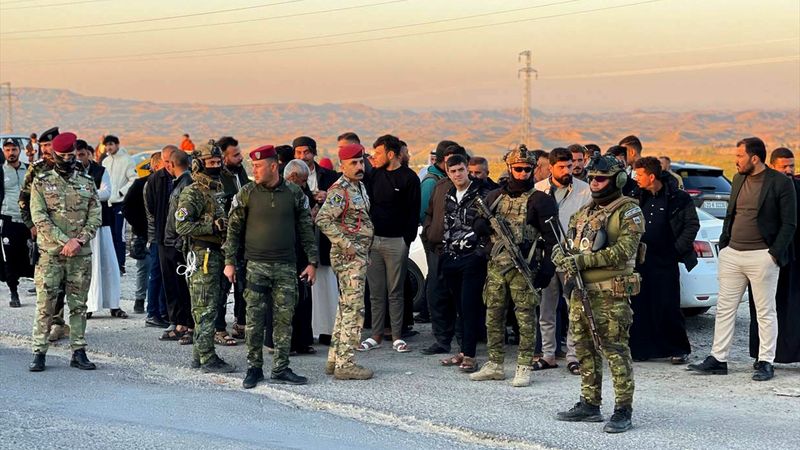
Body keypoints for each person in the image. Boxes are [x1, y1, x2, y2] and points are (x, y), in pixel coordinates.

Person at [689, 137, 796, 381]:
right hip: (733, 254)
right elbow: (732, 213)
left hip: (763, 256)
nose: (735, 160)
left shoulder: (779, 182)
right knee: (725, 308)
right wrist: (725, 247)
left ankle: (765, 361)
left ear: (754, 158)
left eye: (739, 156)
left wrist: (773, 255)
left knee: (765, 311)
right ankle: (718, 358)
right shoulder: (738, 179)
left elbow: (789, 223)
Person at [553, 153, 644, 433]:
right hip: (581, 293)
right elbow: (567, 244)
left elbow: (623, 251)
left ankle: (622, 410)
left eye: (601, 178)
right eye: (591, 178)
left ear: (616, 180)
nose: (594, 183)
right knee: (584, 349)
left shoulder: (628, 211)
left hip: (611, 294)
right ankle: (590, 403)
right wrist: (559, 255)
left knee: (615, 351)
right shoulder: (584, 212)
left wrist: (580, 261)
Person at [225, 146, 318, 388]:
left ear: (273, 166)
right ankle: (254, 368)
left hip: (286, 266)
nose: (253, 170)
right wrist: (229, 262)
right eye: (252, 166)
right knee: (254, 320)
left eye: (258, 166)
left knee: (284, 320)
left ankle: (281, 367)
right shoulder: (247, 193)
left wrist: (312, 262)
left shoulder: (295, 194)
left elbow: (307, 230)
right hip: (256, 265)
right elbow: (233, 230)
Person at [469, 145, 557, 387]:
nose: (522, 173)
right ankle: (495, 363)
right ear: (509, 168)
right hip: (497, 266)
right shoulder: (494, 197)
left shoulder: (541, 200)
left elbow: (552, 239)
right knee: (493, 315)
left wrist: (547, 270)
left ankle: (524, 365)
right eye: (518, 169)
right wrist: (480, 227)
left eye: (527, 169)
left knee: (526, 318)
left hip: (525, 268)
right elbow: (477, 218)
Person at [28, 131, 102, 372]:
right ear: (54, 155)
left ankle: (78, 351)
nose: (68, 160)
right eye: (63, 156)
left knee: (79, 305)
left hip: (80, 255)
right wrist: (65, 241)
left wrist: (78, 241)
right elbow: (39, 217)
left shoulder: (87, 181)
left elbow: (95, 216)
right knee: (45, 305)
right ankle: (39, 352)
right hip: (51, 254)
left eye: (72, 155)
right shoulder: (41, 181)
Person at [316, 143, 375, 380]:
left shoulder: (358, 186)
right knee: (354, 310)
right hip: (348, 257)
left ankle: (335, 359)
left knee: (345, 309)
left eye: (361, 162)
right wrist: (346, 244)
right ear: (342, 166)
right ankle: (346, 364)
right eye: (354, 163)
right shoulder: (340, 190)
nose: (359, 167)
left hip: (358, 256)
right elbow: (323, 219)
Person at [630, 157, 698, 363]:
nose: (636, 178)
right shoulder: (635, 196)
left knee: (667, 305)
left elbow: (691, 225)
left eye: (639, 175)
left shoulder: (678, 198)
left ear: (651, 176)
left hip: (665, 261)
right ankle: (641, 350)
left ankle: (677, 349)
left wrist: (676, 250)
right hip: (639, 261)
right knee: (640, 306)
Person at [175, 141, 235, 373]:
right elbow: (181, 226)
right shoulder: (193, 192)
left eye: (218, 162)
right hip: (203, 257)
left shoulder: (215, 190)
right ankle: (207, 357)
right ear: (199, 164)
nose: (216, 166)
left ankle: (199, 354)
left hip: (217, 254)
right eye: (211, 163)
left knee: (211, 305)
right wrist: (212, 224)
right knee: (205, 307)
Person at [533, 147, 592, 374]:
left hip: (572, 259)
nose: (567, 170)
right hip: (547, 258)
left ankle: (573, 356)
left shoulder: (584, 191)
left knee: (574, 309)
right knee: (546, 309)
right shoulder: (538, 190)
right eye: (561, 167)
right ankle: (548, 354)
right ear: (551, 167)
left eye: (569, 166)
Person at [360, 135, 420, 353]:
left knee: (395, 291)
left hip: (397, 242)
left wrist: (407, 240)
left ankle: (397, 336)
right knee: (376, 291)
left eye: (378, 153)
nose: (374, 158)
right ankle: (375, 335)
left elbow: (414, 212)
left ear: (391, 154)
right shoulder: (373, 176)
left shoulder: (409, 178)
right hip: (374, 241)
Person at [434, 154, 492, 372]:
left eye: (461, 170)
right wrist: (445, 252)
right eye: (453, 171)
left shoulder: (481, 193)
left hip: (472, 258)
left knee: (469, 306)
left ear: (467, 170)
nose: (457, 174)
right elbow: (447, 225)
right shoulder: (449, 194)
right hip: (451, 257)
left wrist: (480, 252)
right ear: (448, 174)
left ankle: (470, 355)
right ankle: (462, 351)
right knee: (457, 306)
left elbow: (490, 227)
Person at [748, 147, 800, 364]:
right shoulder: (762, 188)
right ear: (772, 166)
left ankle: (793, 355)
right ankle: (764, 356)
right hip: (767, 256)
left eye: (792, 166)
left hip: (795, 258)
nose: (788, 170)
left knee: (794, 308)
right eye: (784, 166)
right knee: (765, 308)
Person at [19, 127, 70, 341]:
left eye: (51, 145)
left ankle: (60, 322)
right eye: (45, 146)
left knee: (66, 281)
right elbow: (24, 199)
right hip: (45, 234)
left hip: (68, 233)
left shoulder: (70, 168)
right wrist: (31, 224)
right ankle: (50, 323)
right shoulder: (36, 169)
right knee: (48, 282)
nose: (48, 150)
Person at [263, 159, 318, 356]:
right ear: (293, 177)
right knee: (279, 300)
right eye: (302, 181)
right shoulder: (274, 192)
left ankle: (302, 340)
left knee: (302, 297)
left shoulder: (301, 194)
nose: (304, 185)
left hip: (301, 252)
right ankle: (276, 342)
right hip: (280, 252)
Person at [419, 143, 469, 353]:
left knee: (460, 298)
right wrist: (429, 234)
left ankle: (464, 342)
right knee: (437, 295)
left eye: (459, 167)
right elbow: (428, 213)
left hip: (462, 252)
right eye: (451, 167)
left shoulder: (476, 189)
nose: (456, 172)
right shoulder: (439, 186)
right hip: (438, 250)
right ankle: (442, 340)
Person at [77, 140, 125, 319]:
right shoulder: (71, 173)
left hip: (102, 223)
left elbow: (106, 192)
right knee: (88, 266)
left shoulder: (99, 171)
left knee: (108, 264)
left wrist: (84, 194)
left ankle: (114, 304)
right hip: (81, 226)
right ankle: (89, 305)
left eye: (82, 154)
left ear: (89, 153)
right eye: (76, 154)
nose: (79, 158)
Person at [216, 136, 248, 344]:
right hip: (224, 240)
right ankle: (218, 327)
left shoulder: (240, 172)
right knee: (222, 285)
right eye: (235, 155)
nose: (240, 157)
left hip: (243, 238)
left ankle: (240, 322)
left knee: (243, 283)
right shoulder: (218, 178)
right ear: (223, 157)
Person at [124, 151, 161, 319]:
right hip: (142, 234)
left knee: (157, 270)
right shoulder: (140, 184)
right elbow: (127, 208)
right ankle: (140, 300)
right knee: (143, 267)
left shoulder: (167, 184)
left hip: (158, 235)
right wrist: (141, 228)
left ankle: (157, 304)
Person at [1, 138, 33, 307]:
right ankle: (14, 292)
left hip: (29, 221)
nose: (11, 153)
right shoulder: (1, 171)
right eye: (7, 150)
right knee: (10, 257)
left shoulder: (28, 170)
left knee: (33, 255)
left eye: (13, 149)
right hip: (9, 219)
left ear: (19, 151)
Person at [101, 135, 137, 274]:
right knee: (108, 235)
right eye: (107, 145)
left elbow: (133, 179)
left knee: (119, 235)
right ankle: (111, 264)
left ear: (117, 145)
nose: (109, 147)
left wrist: (122, 193)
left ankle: (120, 265)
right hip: (107, 203)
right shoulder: (105, 161)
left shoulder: (127, 160)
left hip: (120, 204)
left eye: (111, 144)